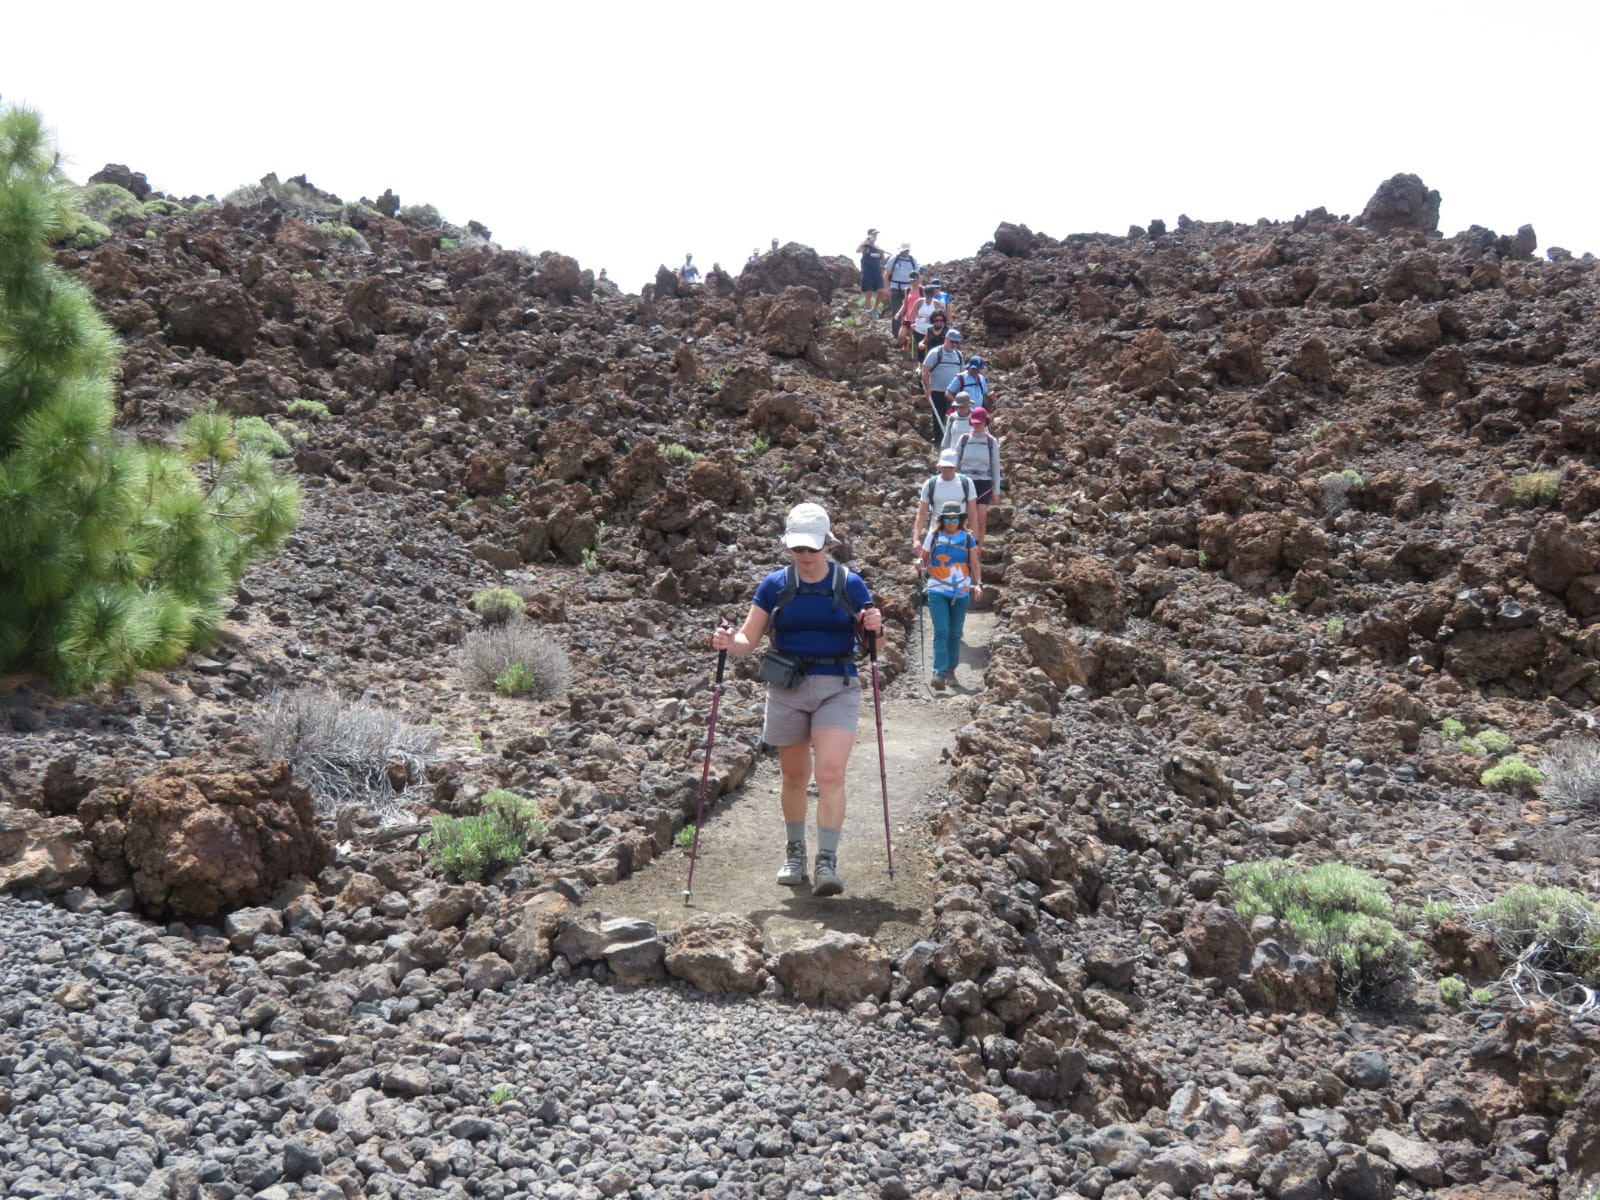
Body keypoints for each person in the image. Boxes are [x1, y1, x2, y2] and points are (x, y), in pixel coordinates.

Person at [710, 503, 884, 897]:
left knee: (829, 772)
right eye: (797, 549)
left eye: (812, 548)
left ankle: (826, 861)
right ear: (788, 546)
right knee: (793, 775)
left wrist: (876, 625)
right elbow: (746, 640)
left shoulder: (850, 583)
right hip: (786, 687)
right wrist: (726, 641)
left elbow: (876, 645)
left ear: (827, 544)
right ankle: (794, 854)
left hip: (837, 685)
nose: (805, 556)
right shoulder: (774, 585)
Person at [919, 501, 981, 690]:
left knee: (955, 632)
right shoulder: (934, 536)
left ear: (960, 520)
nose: (952, 522)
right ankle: (939, 672)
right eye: (948, 519)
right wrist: (919, 563)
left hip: (961, 591)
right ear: (943, 520)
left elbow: (975, 563)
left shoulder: (968, 538)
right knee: (942, 630)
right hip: (937, 589)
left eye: (955, 519)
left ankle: (951, 670)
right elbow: (924, 557)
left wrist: (978, 583)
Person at [912, 448, 977, 560]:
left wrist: (974, 541)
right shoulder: (930, 484)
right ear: (939, 465)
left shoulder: (966, 483)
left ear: (956, 465)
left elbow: (972, 513)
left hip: (960, 534)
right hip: (936, 532)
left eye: (950, 467)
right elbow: (921, 513)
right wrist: (916, 539)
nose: (947, 470)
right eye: (944, 467)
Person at [951, 406, 1001, 545]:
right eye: (975, 422)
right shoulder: (964, 438)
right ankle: (966, 547)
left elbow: (996, 466)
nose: (977, 425)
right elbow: (955, 460)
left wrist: (996, 491)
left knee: (981, 518)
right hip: (966, 482)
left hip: (984, 482)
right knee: (966, 517)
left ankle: (977, 549)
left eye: (980, 422)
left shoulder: (991, 442)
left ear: (986, 422)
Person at [921, 329, 965, 443]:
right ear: (945, 339)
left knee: (955, 416)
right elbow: (925, 371)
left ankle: (954, 440)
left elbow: (962, 373)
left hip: (953, 393)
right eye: (952, 341)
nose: (954, 344)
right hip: (937, 391)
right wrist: (927, 387)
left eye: (956, 342)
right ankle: (939, 441)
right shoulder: (935, 353)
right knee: (939, 416)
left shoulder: (959, 355)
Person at [886, 243, 919, 336]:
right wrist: (886, 287)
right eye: (904, 250)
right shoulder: (894, 259)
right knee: (896, 311)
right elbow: (887, 273)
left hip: (909, 289)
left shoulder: (913, 260)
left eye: (907, 250)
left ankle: (908, 333)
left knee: (910, 310)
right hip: (895, 287)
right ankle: (896, 333)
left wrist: (918, 289)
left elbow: (917, 275)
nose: (906, 252)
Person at [855, 229, 888, 317]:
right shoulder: (865, 246)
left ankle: (875, 308)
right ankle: (868, 313)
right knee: (868, 293)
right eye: (873, 234)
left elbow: (883, 262)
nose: (875, 236)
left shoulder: (877, 248)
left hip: (877, 272)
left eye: (876, 234)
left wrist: (882, 253)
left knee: (881, 292)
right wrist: (866, 241)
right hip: (867, 272)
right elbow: (858, 250)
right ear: (869, 235)